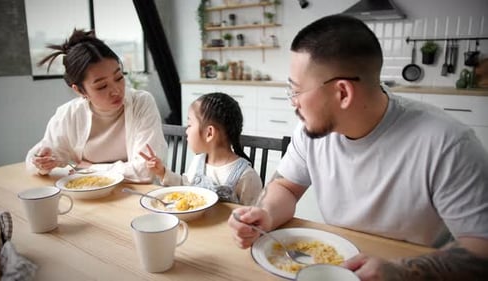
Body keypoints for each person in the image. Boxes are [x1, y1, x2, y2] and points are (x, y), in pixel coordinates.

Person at [228, 14, 488, 280]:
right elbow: (285, 187)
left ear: (343, 93)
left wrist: (402, 272)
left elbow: (482, 247)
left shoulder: (448, 144)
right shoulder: (310, 133)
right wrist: (266, 214)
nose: (292, 102)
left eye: (295, 91)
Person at [25, 29, 167, 183]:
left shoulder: (141, 103)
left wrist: (88, 168)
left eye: (119, 77)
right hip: (88, 194)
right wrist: (43, 163)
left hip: (134, 196)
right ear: (79, 90)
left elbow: (145, 171)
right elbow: (33, 162)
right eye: (102, 86)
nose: (116, 91)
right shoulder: (70, 113)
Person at [139, 92, 262, 205]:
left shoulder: (246, 177)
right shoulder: (199, 161)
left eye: (189, 125)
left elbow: (254, 219)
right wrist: (162, 172)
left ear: (209, 133)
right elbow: (186, 187)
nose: (186, 131)